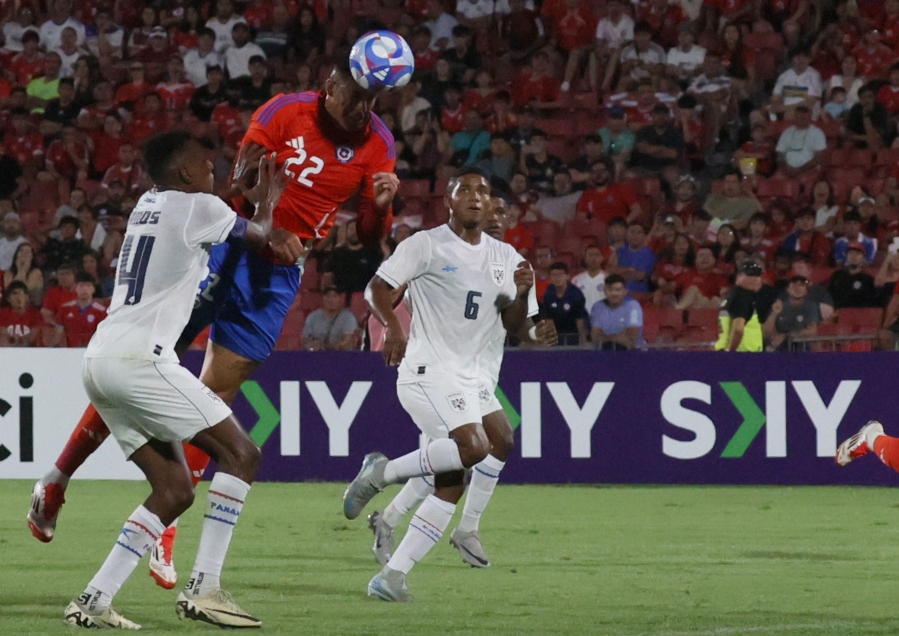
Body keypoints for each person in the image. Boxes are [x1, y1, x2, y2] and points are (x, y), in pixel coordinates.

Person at [27, 51, 400, 583]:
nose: (364, 107)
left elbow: (368, 237)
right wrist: (259, 190)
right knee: (142, 363)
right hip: (226, 246)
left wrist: (381, 205)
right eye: (356, 94)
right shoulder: (284, 111)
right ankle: (57, 479)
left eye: (373, 98)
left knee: (215, 395)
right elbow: (237, 180)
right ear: (331, 83)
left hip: (277, 278)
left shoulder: (379, 143)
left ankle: (165, 529)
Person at [63, 130, 283, 629]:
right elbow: (263, 238)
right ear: (185, 173)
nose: (214, 171)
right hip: (143, 361)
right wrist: (267, 201)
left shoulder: (147, 203)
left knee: (174, 489)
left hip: (101, 359)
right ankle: (205, 588)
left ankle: (94, 599)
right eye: (206, 164)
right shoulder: (196, 207)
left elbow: (208, 219)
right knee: (243, 454)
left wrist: (238, 198)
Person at [342, 169, 535, 602]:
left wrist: (522, 295)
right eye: (463, 190)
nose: (473, 196)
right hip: (427, 370)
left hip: (471, 376)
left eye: (482, 191)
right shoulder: (426, 245)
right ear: (447, 202)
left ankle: (391, 577)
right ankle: (382, 473)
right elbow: (377, 288)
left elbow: (515, 327)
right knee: (474, 448)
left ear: (490, 207)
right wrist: (392, 326)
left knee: (480, 456)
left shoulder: (506, 258)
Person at [715, 260, 772, 352]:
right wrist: (731, 351)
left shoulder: (735, 294)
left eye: (758, 275)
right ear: (739, 276)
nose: (755, 279)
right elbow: (738, 329)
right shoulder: (742, 296)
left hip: (735, 352)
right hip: (742, 354)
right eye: (750, 275)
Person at [589, 274, 644, 350]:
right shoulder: (597, 307)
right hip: (604, 352)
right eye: (610, 290)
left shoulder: (633, 306)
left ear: (625, 291)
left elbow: (631, 338)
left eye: (618, 290)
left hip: (632, 352)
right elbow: (595, 337)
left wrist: (605, 337)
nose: (613, 293)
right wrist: (616, 338)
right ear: (604, 291)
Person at [768, 275, 820, 350]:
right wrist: (774, 313)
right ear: (787, 289)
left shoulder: (810, 307)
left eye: (801, 285)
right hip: (780, 350)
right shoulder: (779, 305)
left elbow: (812, 331)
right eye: (794, 285)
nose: (797, 288)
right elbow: (768, 331)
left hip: (803, 349)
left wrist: (786, 336)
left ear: (806, 291)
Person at [543, 262, 590, 345]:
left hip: (574, 332)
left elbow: (580, 319)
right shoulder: (548, 293)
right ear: (550, 277)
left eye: (560, 274)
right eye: (553, 275)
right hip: (557, 333)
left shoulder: (576, 294)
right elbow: (548, 319)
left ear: (567, 276)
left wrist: (583, 340)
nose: (557, 278)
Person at [829, 243, 878, 309]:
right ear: (846, 257)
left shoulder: (868, 280)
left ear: (863, 259)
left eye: (858, 254)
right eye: (851, 253)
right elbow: (829, 296)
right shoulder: (837, 275)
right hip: (836, 313)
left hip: (855, 315)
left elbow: (870, 303)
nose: (853, 256)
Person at [573, 245, 608, 311]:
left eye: (597, 255)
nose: (593, 258)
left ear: (602, 258)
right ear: (585, 258)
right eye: (590, 255)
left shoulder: (609, 279)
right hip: (583, 317)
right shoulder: (576, 280)